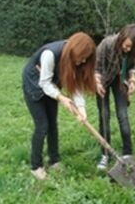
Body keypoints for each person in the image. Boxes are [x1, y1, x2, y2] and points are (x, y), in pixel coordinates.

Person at [22, 32, 96, 180]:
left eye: (85, 59)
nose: (82, 62)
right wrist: (61, 97)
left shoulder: (77, 60)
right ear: (73, 51)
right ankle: (36, 167)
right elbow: (44, 83)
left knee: (52, 125)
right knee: (42, 126)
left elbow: (76, 87)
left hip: (51, 85)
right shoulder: (50, 54)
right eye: (81, 57)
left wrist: (81, 109)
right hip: (34, 84)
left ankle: (54, 161)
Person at [94, 24, 135, 170]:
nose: (127, 50)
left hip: (119, 80)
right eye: (126, 46)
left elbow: (132, 66)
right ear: (121, 38)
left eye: (130, 48)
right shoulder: (106, 44)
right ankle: (105, 154)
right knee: (104, 115)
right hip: (102, 79)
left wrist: (132, 80)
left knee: (123, 115)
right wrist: (97, 83)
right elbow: (96, 68)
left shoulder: (132, 49)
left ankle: (128, 154)